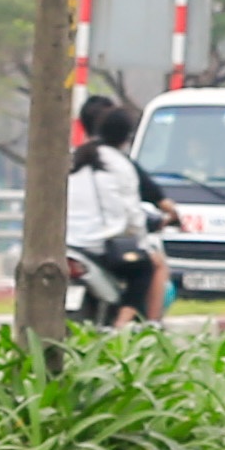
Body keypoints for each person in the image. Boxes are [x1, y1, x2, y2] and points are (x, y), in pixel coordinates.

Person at [64, 94, 181, 326]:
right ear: (127, 137)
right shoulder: (120, 165)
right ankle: (132, 326)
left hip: (70, 242)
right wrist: (144, 239)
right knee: (148, 268)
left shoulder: (75, 158)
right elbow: (130, 216)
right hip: (100, 246)